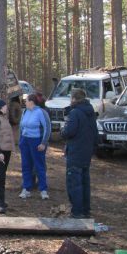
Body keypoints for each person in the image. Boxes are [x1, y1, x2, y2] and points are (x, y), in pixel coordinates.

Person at [60, 88, 98, 218]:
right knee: (84, 181)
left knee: (74, 182)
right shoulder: (90, 111)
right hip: (86, 151)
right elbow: (95, 132)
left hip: (76, 151)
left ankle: (77, 211)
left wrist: (62, 129)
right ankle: (85, 210)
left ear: (74, 99)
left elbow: (68, 132)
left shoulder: (75, 113)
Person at [18, 93, 51, 200]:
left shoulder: (41, 112)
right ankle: (26, 188)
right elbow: (21, 127)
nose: (25, 102)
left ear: (31, 102)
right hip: (25, 141)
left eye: (26, 100)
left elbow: (47, 128)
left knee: (39, 166)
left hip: (36, 141)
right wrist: (20, 141)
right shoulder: (25, 111)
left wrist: (43, 143)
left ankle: (43, 190)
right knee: (26, 165)